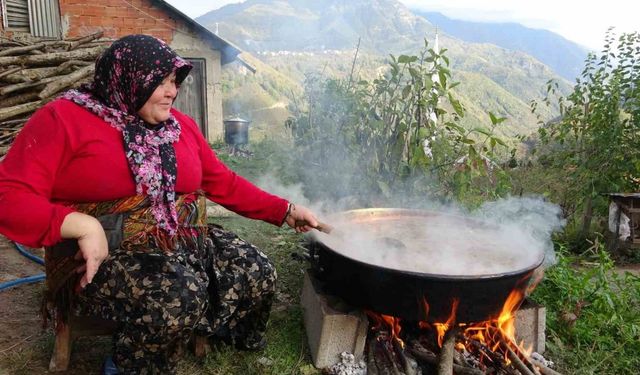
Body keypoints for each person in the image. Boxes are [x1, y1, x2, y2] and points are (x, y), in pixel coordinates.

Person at [0, 34, 319, 374]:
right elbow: (9, 195)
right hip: (106, 253)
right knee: (178, 293)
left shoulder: (180, 127)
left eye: (173, 81)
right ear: (128, 79)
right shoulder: (62, 120)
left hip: (180, 239)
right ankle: (130, 364)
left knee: (256, 269)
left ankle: (218, 331)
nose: (172, 91)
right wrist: (82, 224)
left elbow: (222, 182)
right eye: (160, 82)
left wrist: (284, 210)